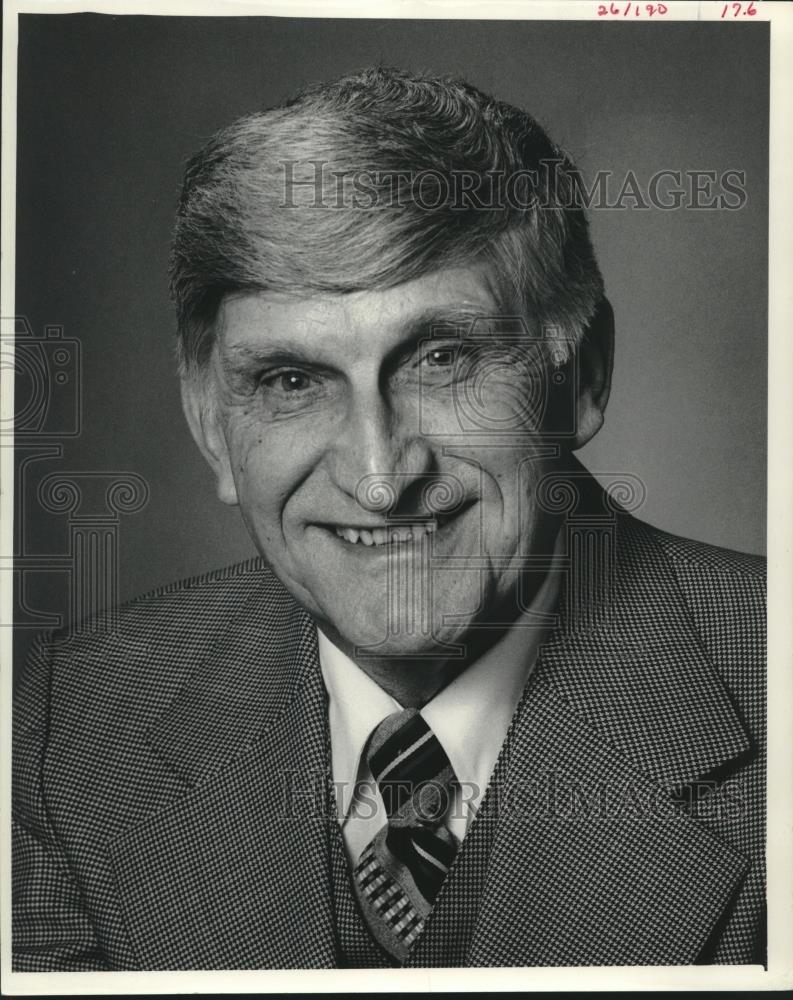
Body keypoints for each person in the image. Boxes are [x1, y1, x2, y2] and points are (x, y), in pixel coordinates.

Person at [12, 67, 765, 970]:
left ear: (582, 376)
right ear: (211, 421)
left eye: (441, 358)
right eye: (292, 381)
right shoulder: (65, 728)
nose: (378, 479)